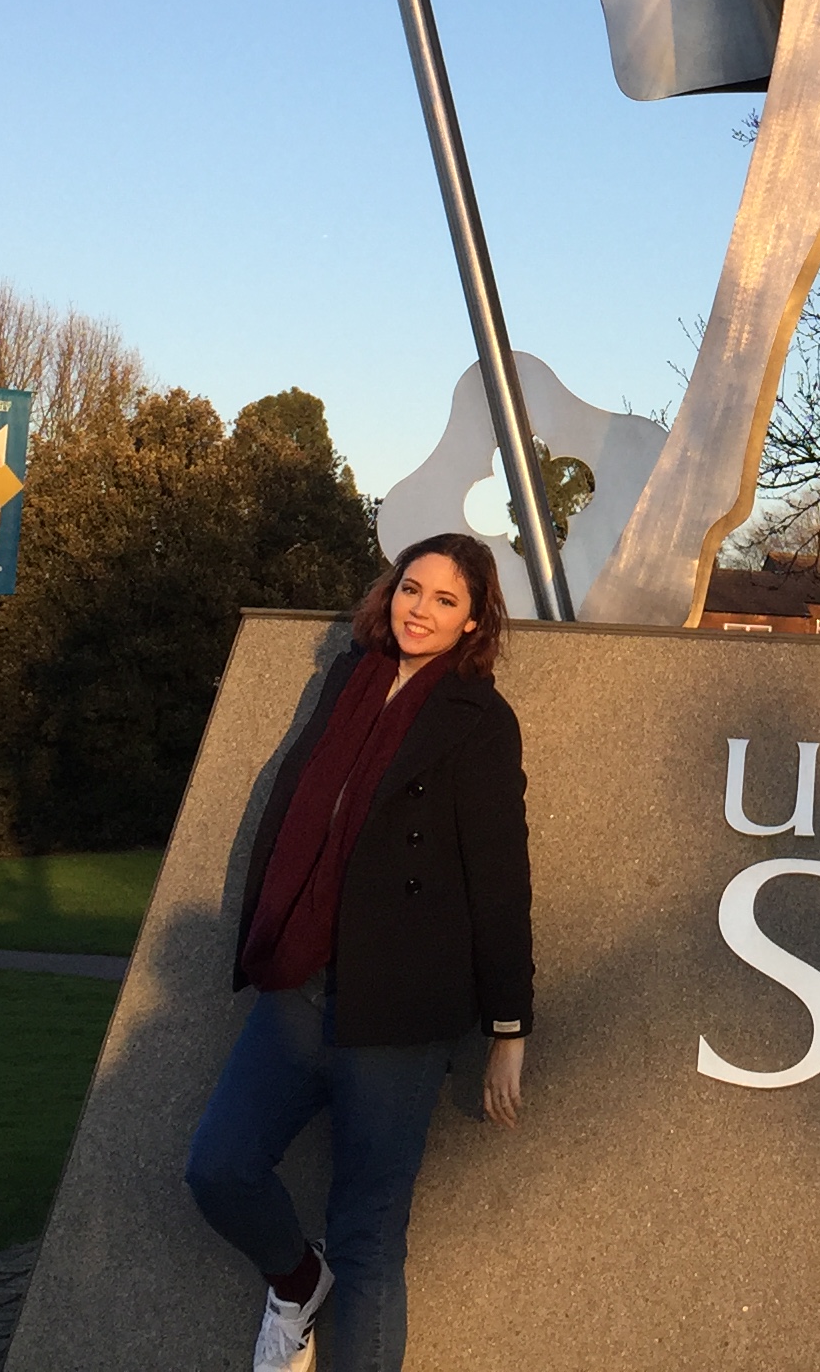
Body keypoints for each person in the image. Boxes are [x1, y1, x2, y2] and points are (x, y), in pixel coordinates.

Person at [184, 532, 533, 1372]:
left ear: (474, 620)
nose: (422, 610)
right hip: (302, 986)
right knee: (219, 1168)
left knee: (369, 1240)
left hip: (401, 1016)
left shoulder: (479, 719)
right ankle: (298, 1282)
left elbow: (500, 876)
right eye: (413, 590)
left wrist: (510, 1028)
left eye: (446, 601)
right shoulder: (351, 678)